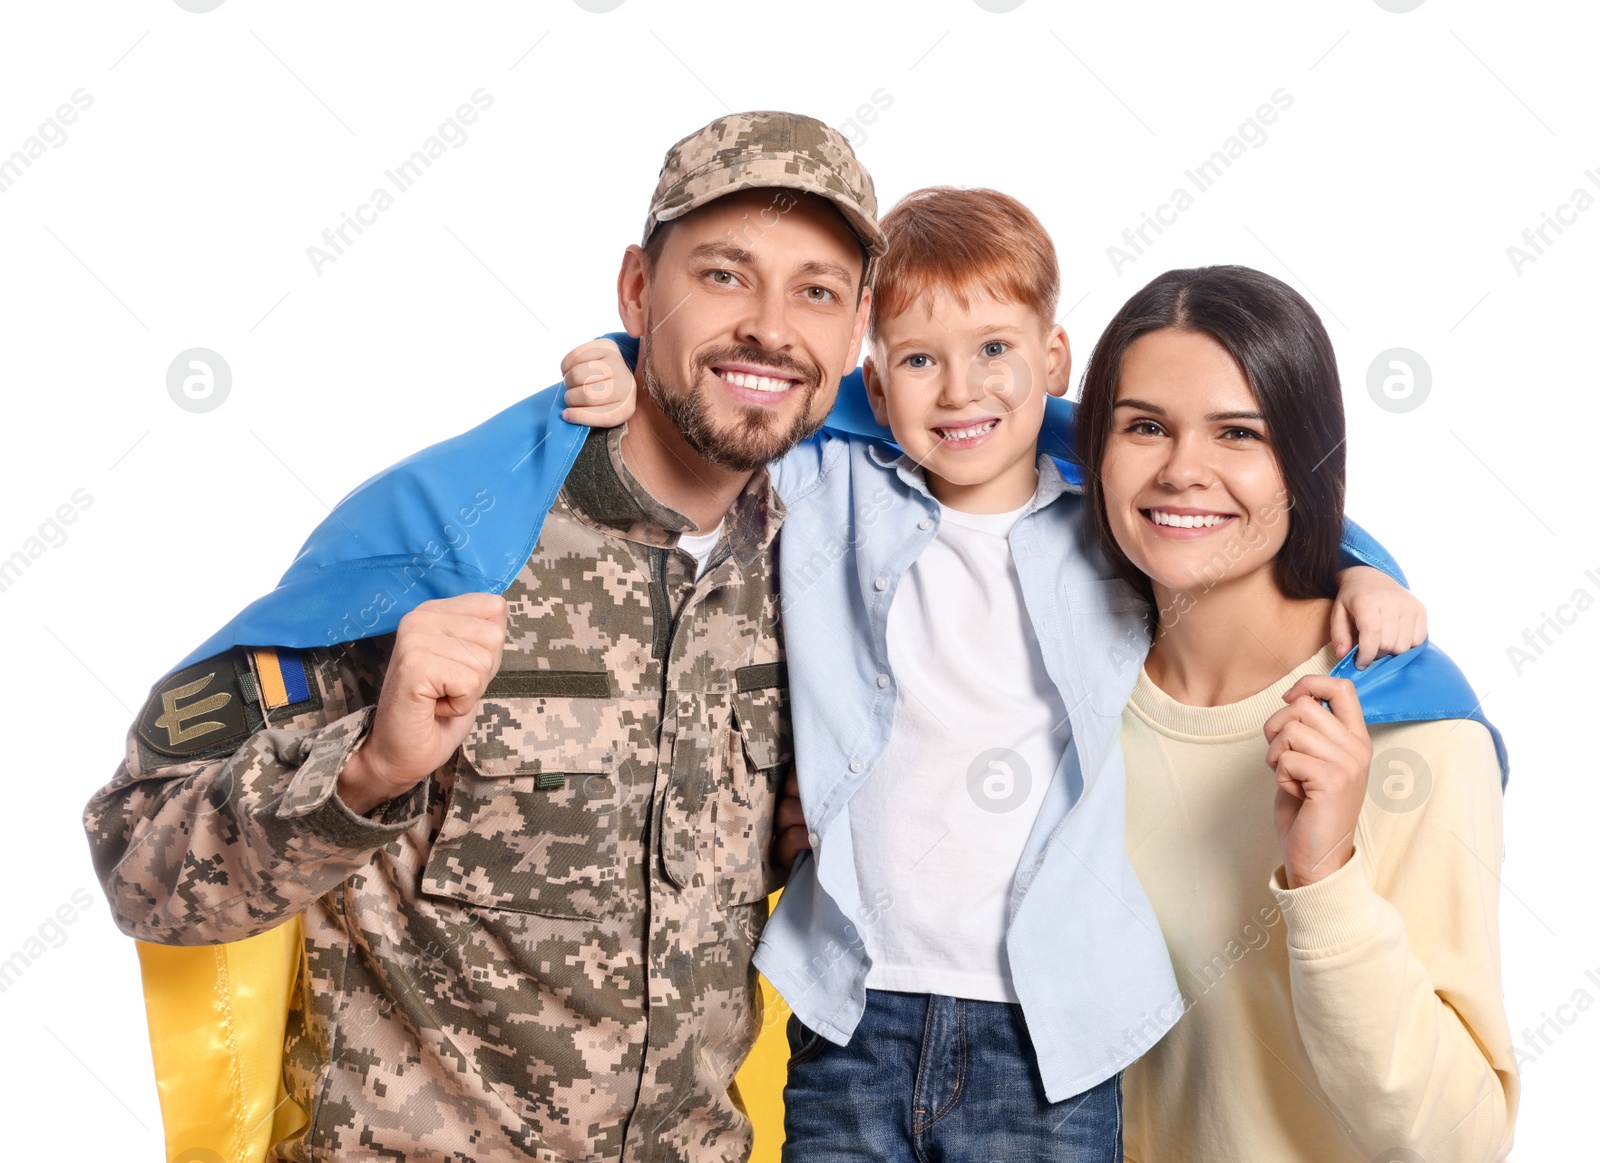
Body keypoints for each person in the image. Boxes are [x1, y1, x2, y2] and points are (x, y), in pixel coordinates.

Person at [82, 111, 887, 1163]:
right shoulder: (449, 535)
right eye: (726, 275)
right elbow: (135, 866)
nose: (771, 328)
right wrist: (366, 770)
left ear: (859, 328)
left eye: (816, 290)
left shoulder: (837, 564)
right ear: (638, 291)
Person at [561, 189, 1426, 1162]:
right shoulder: (827, 489)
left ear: (1053, 360)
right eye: (920, 359)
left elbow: (1236, 520)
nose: (960, 389)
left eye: (994, 352)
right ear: (877, 386)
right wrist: (620, 358)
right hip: (854, 1006)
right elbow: (733, 405)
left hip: (1049, 1025)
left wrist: (1360, 566)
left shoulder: (1108, 527)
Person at [1071, 264, 1518, 1161]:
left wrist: (1326, 878)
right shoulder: (1059, 686)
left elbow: (1462, 1140)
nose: (1182, 470)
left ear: (1308, 458)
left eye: (1239, 432)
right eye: (1145, 426)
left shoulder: (1412, 726)